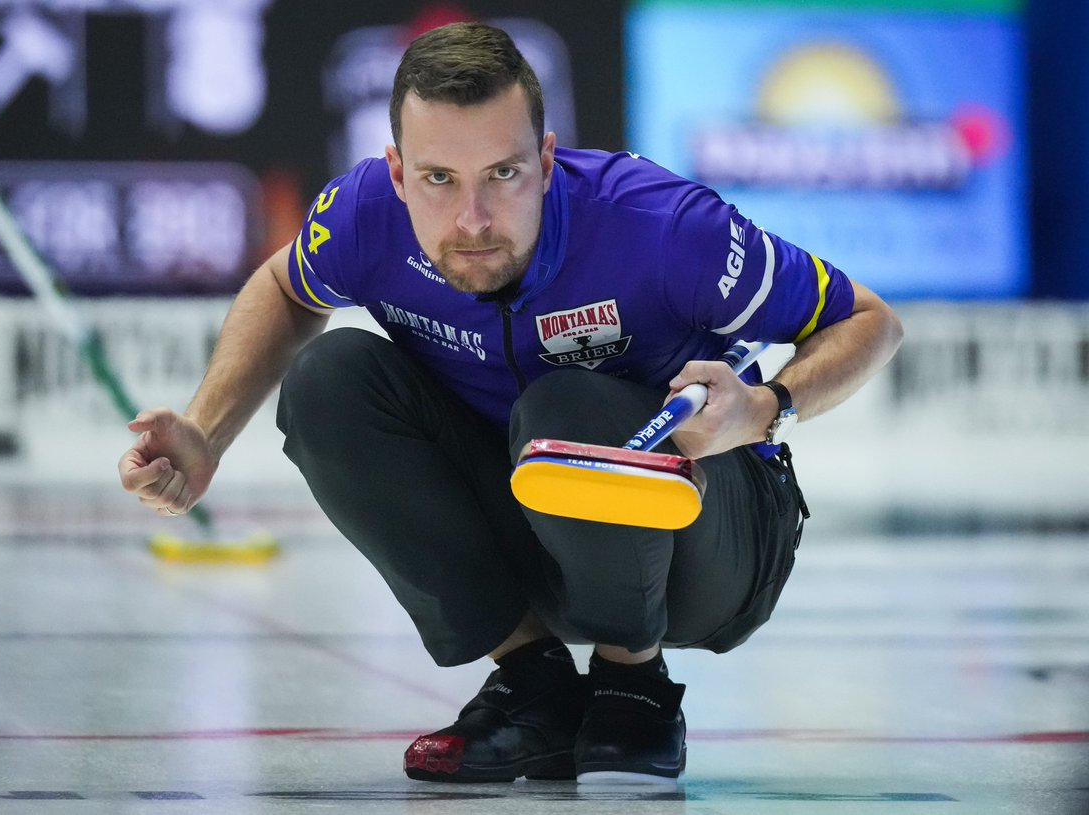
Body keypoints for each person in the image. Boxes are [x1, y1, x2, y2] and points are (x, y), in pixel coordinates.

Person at [118, 22, 903, 784]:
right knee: (328, 379)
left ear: (547, 160)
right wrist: (207, 431)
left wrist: (764, 410)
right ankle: (533, 685)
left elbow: (871, 320)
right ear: (395, 174)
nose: (472, 220)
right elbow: (287, 287)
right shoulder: (364, 216)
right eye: (438, 179)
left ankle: (635, 687)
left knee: (563, 410)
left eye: (503, 174)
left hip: (708, 547)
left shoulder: (662, 228)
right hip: (535, 519)